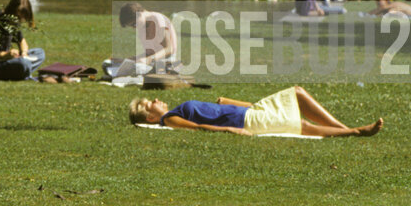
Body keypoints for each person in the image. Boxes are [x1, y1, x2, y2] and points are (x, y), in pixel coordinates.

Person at [128, 86, 383, 137]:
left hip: (249, 110)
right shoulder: (170, 119)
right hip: (246, 121)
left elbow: (216, 110)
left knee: (297, 92)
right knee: (299, 126)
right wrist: (228, 129)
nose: (157, 99)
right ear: (151, 117)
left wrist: (233, 101)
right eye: (151, 102)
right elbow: (198, 127)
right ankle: (355, 132)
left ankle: (341, 126)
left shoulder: (174, 110)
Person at [118, 2, 177, 70]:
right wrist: (132, 59)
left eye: (134, 24)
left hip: (166, 62)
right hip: (153, 61)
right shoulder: (142, 25)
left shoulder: (158, 19)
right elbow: (150, 53)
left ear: (139, 14)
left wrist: (149, 59)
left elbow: (169, 49)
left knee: (138, 69)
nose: (134, 28)